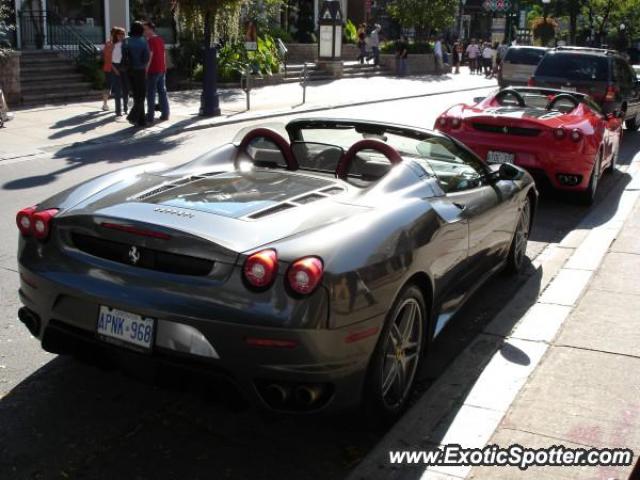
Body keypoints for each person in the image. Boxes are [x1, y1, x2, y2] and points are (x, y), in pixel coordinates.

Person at [124, 21, 150, 127]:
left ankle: (141, 120)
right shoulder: (143, 41)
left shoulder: (126, 41)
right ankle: (133, 116)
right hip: (139, 70)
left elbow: (122, 55)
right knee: (141, 95)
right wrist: (142, 63)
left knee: (136, 95)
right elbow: (146, 57)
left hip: (129, 70)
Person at [143, 21, 169, 123]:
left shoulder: (150, 41)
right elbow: (163, 54)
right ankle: (165, 114)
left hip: (153, 70)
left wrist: (146, 69)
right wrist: (165, 66)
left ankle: (150, 116)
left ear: (150, 29)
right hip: (161, 69)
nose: (144, 31)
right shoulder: (160, 39)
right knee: (162, 92)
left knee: (151, 94)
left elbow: (150, 55)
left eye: (145, 29)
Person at [109, 27, 129, 117]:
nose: (121, 36)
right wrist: (115, 69)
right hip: (115, 66)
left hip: (125, 66)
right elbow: (109, 59)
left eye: (123, 34)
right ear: (116, 35)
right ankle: (118, 111)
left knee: (126, 89)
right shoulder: (113, 45)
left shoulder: (126, 44)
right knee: (117, 90)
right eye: (119, 34)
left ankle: (125, 108)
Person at [101, 34, 113, 111]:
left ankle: (105, 104)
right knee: (108, 86)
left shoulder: (108, 43)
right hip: (111, 68)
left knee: (107, 86)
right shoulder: (112, 44)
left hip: (108, 68)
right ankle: (105, 104)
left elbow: (104, 55)